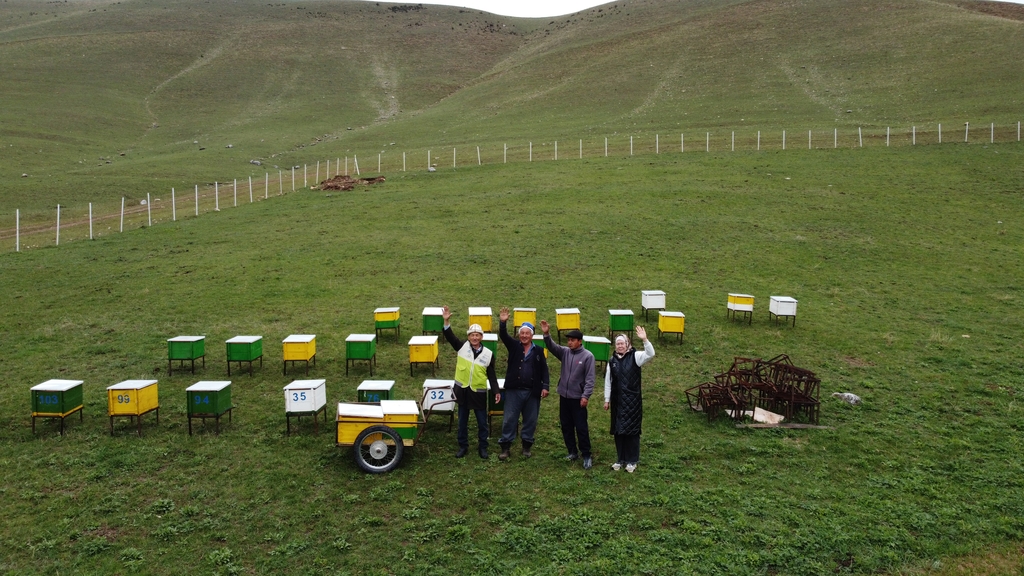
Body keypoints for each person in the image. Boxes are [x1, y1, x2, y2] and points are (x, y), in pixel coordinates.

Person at [441, 305, 500, 459]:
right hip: (463, 392)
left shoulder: (488, 354)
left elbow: (492, 375)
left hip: (478, 393)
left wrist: (496, 391)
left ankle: (483, 448)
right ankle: (463, 446)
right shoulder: (461, 347)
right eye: (472, 335)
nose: (475, 337)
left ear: (481, 337)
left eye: (477, 335)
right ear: (468, 337)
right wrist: (446, 322)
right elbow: (450, 336)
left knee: (482, 423)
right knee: (462, 422)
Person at [540, 320, 595, 470]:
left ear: (579, 341)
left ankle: (586, 455)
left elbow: (590, 379)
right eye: (568, 340)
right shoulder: (565, 352)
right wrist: (546, 334)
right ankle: (572, 452)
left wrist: (585, 396)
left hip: (578, 399)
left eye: (572, 340)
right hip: (564, 397)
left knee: (581, 427)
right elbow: (552, 347)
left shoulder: (587, 356)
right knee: (566, 426)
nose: (569, 343)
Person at [496, 307, 550, 461]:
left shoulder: (539, 351)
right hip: (514, 391)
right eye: (522, 333)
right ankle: (505, 447)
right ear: (519, 335)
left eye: (527, 333)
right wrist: (502, 323)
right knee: (509, 419)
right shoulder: (513, 346)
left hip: (532, 392)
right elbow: (504, 336)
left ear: (532, 335)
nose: (524, 336)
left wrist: (545, 386)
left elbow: (544, 370)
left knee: (530, 420)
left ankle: (526, 446)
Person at [604, 327, 655, 473]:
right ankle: (620, 459)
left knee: (632, 432)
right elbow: (608, 381)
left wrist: (645, 340)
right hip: (617, 402)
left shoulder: (636, 356)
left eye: (622, 343)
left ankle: (632, 461)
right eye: (617, 343)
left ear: (628, 344)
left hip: (632, 402)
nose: (620, 346)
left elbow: (651, 354)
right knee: (618, 431)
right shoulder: (612, 360)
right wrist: (607, 399)